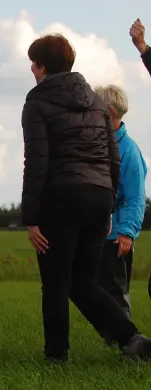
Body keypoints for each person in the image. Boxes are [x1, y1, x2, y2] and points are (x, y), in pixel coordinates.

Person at [20, 33, 151, 363]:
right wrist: (108, 203)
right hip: (98, 197)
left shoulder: (37, 102)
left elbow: (36, 161)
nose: (32, 71)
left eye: (34, 64)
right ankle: (132, 339)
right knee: (83, 281)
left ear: (43, 66)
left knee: (55, 282)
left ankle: (56, 357)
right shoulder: (95, 101)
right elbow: (112, 156)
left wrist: (31, 217)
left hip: (60, 199)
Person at [92, 84, 147, 324]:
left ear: (110, 112)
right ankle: (113, 340)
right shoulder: (98, 142)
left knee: (116, 292)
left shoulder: (129, 151)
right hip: (96, 233)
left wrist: (127, 232)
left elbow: (136, 197)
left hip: (117, 237)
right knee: (97, 289)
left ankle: (128, 343)